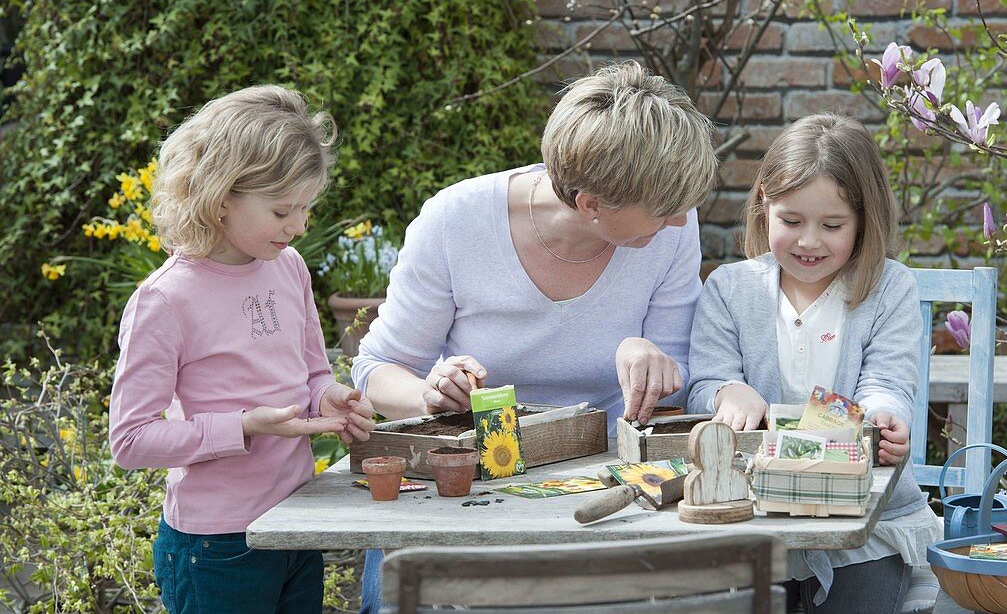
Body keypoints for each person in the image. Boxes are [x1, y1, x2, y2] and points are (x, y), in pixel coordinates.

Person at [352, 60, 718, 613]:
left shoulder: (673, 230)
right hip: (470, 478)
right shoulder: (456, 221)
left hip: (603, 481)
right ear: (592, 204)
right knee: (398, 594)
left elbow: (677, 387)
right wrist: (427, 395)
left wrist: (648, 356)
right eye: (664, 210)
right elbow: (377, 367)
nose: (677, 222)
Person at [109, 86, 376, 613]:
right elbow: (131, 440)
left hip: (297, 522)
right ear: (221, 195)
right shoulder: (164, 300)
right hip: (217, 546)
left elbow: (312, 374)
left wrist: (329, 398)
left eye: (305, 208)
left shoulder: (289, 266)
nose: (299, 226)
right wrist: (245, 426)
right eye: (282, 211)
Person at [686, 114, 940, 613]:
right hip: (753, 516)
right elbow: (704, 382)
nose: (808, 242)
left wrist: (885, 416)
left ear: (864, 221)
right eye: (791, 221)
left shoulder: (888, 288)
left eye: (831, 226)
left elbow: (888, 379)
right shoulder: (730, 289)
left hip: (863, 522)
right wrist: (725, 392)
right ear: (764, 209)